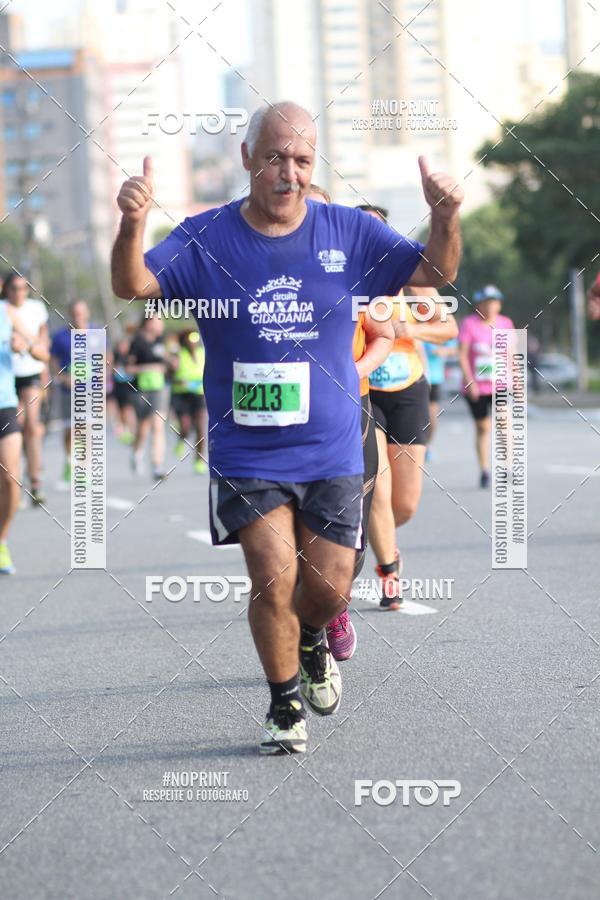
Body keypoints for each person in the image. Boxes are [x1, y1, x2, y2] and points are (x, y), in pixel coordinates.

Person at [111, 101, 463, 754]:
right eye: (275, 157)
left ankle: (312, 638)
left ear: (314, 163)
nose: (288, 172)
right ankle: (282, 705)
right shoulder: (206, 237)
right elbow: (133, 284)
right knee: (272, 575)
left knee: (327, 588)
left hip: (330, 445)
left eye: (301, 159)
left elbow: (435, 272)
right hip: (248, 446)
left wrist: (445, 217)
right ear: (248, 156)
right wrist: (132, 224)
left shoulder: (350, 231)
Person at [307, 185, 394, 660]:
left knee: (350, 523)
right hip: (283, 417)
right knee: (286, 528)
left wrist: (353, 370)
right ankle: (306, 628)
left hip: (347, 408)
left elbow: (383, 336)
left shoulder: (356, 273)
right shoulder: (257, 269)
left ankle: (335, 604)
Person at [368, 285, 458, 607]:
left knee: (404, 505)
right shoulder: (353, 277)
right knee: (378, 488)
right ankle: (388, 573)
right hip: (364, 391)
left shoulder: (413, 283)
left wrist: (411, 329)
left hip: (407, 392)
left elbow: (449, 328)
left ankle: (379, 539)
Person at [0, 300, 48, 573]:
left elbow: (42, 352)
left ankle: (1, 541)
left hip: (4, 404)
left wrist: (26, 346)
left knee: (10, 477)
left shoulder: (7, 313)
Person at [458, 285, 514, 487]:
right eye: (486, 303)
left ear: (499, 305)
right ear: (478, 305)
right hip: (476, 387)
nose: (490, 307)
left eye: (494, 303)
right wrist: (470, 381)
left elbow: (511, 354)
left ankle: (507, 467)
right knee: (483, 427)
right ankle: (484, 470)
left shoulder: (505, 323)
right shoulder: (469, 324)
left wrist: (517, 380)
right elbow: (462, 355)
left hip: (500, 383)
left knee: (504, 423)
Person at [1, 273, 50, 504]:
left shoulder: (35, 309)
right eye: (14, 288)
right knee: (15, 429)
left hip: (30, 373)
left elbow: (42, 347)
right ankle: (14, 481)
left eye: (23, 288)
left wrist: (27, 346)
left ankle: (35, 480)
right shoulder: (4, 309)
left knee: (32, 426)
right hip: (8, 378)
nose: (18, 292)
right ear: (6, 289)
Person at [127, 313, 173, 480]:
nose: (160, 324)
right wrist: (149, 368)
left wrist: (171, 362)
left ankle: (157, 466)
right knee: (143, 428)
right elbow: (128, 368)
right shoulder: (137, 342)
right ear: (147, 323)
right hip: (141, 389)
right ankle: (136, 452)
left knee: (158, 426)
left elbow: (169, 363)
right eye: (157, 320)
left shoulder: (163, 340)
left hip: (160, 388)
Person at [50, 300, 91, 483]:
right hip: (69, 390)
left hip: (90, 390)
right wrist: (63, 377)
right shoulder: (60, 337)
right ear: (69, 314)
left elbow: (107, 358)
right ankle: (69, 460)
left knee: (86, 429)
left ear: (87, 313)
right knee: (71, 430)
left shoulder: (96, 333)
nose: (78, 317)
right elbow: (52, 361)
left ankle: (83, 470)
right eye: (74, 313)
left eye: (81, 313)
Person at [171, 329, 208, 474]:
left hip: (198, 395)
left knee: (200, 427)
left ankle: (199, 461)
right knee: (185, 426)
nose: (193, 342)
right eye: (190, 339)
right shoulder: (179, 354)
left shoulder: (203, 353)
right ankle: (182, 438)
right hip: (182, 394)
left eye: (196, 338)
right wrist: (174, 371)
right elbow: (170, 375)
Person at [423, 336, 458, 458]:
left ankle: (426, 445)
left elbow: (455, 348)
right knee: (416, 415)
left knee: (432, 417)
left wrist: (444, 351)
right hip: (415, 378)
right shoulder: (415, 327)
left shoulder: (439, 328)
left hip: (434, 379)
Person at [108, 333, 137, 444]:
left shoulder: (131, 355)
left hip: (129, 386)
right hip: (118, 387)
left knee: (128, 409)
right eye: (121, 345)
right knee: (120, 409)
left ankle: (131, 431)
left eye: (125, 345)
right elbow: (110, 368)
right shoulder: (115, 355)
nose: (123, 347)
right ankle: (123, 428)